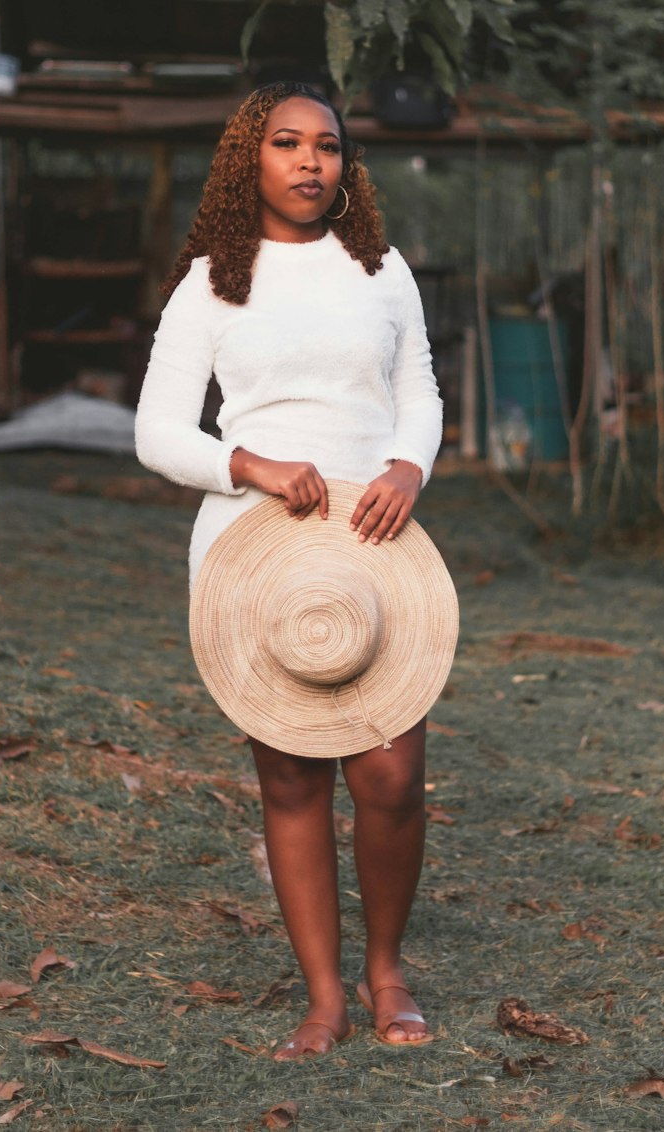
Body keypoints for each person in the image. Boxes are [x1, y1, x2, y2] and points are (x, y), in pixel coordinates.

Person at [135, 82, 446, 1059]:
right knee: (291, 773)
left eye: (327, 146)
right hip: (254, 548)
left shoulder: (380, 269)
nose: (310, 161)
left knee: (391, 774)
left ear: (345, 166)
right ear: (249, 160)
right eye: (286, 143)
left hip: (372, 540)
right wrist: (253, 465)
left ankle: (386, 971)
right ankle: (324, 999)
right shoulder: (210, 284)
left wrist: (407, 465)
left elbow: (420, 390)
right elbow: (154, 433)